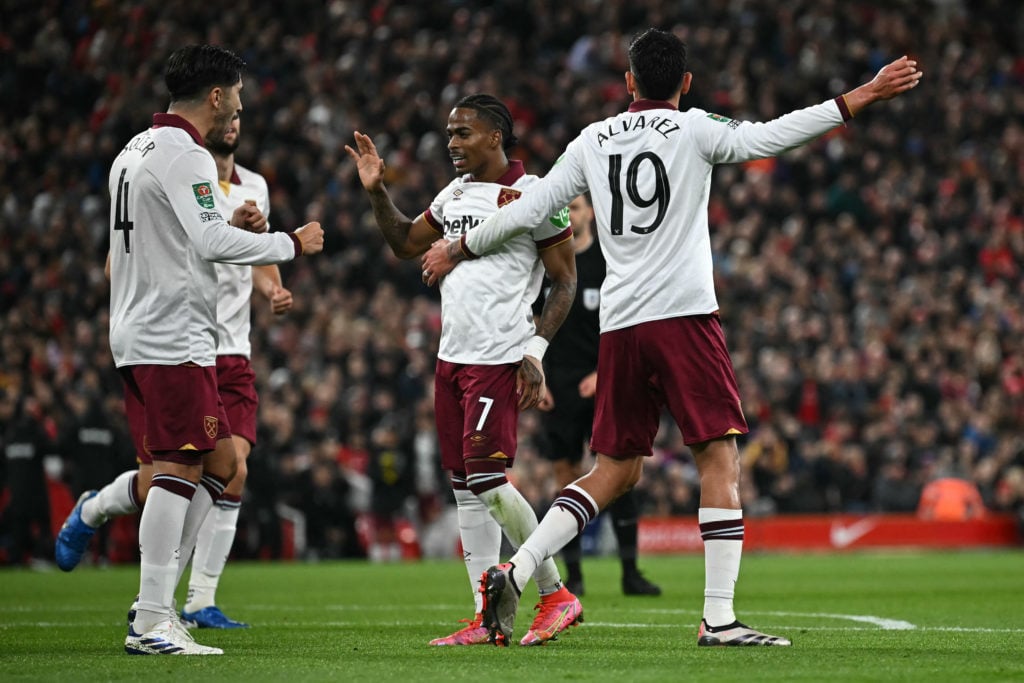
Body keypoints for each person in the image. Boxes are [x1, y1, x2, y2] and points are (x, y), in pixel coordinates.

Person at [422, 28, 923, 647]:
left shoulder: (591, 139)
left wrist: (459, 245)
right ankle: (718, 618)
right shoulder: (697, 128)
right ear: (685, 84)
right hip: (685, 318)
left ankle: (518, 568)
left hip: (622, 325)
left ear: (628, 82)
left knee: (612, 470)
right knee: (718, 458)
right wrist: (863, 95)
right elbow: (773, 134)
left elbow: (530, 208)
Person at [61, 44, 323, 656]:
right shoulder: (189, 156)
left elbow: (148, 246)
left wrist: (243, 231)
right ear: (216, 95)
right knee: (180, 467)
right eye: (236, 89)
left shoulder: (132, 151)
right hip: (170, 335)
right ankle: (153, 618)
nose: (240, 100)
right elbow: (208, 240)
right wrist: (292, 243)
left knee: (223, 464)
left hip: (139, 330)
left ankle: (161, 604)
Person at [345, 94, 582, 647]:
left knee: (487, 481)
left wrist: (535, 351)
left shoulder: (534, 194)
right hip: (451, 357)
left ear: (495, 137)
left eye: (463, 134)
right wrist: (377, 190)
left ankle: (554, 593)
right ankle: (485, 615)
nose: (452, 143)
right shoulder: (452, 194)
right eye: (450, 134)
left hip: (497, 356)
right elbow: (406, 243)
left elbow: (563, 280)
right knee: (465, 490)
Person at [534, 193, 660, 598]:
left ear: (589, 212)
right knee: (565, 475)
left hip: (604, 382)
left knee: (620, 473)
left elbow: (628, 321)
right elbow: (532, 321)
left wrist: (602, 372)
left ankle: (630, 572)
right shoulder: (548, 265)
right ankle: (574, 576)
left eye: (576, 208)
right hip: (557, 386)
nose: (570, 214)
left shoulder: (607, 263)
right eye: (565, 209)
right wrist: (537, 374)